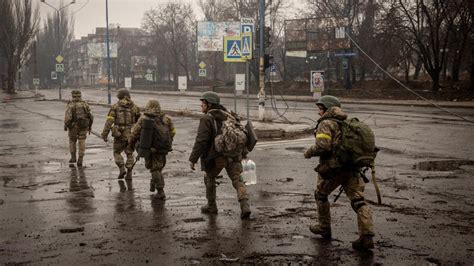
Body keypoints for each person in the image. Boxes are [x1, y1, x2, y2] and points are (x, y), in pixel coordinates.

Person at [303, 95, 375, 251]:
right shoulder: (345, 123)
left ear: (327, 109)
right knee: (358, 200)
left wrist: (308, 152)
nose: (318, 113)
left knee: (321, 194)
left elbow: (323, 146)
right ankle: (367, 235)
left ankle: (324, 227)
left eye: (320, 109)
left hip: (334, 169)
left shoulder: (326, 123)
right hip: (352, 167)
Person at [189, 91, 251, 219]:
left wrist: (193, 159)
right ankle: (245, 205)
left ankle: (211, 206)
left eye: (203, 102)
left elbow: (201, 140)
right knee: (238, 180)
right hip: (234, 155)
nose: (201, 104)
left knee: (209, 177)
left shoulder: (207, 118)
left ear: (209, 104)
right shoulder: (229, 115)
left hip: (217, 157)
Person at [128, 100, 175, 199]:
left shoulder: (144, 118)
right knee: (159, 167)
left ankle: (160, 191)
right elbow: (172, 132)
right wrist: (166, 143)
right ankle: (153, 184)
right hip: (163, 148)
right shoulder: (166, 118)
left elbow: (134, 134)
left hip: (151, 149)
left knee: (155, 169)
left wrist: (131, 145)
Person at [101, 89, 141, 180]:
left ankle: (122, 167)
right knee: (129, 153)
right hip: (131, 133)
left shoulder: (115, 107)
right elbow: (140, 122)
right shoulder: (135, 107)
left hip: (119, 134)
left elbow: (109, 121)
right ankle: (129, 171)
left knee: (116, 152)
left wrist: (105, 133)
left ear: (119, 96)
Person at [64, 90, 93, 167]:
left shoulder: (71, 105)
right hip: (83, 126)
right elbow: (90, 116)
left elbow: (68, 118)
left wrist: (68, 125)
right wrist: (89, 126)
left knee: (72, 141)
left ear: (72, 96)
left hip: (73, 127)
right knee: (82, 141)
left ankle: (73, 158)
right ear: (80, 96)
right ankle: (80, 159)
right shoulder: (85, 104)